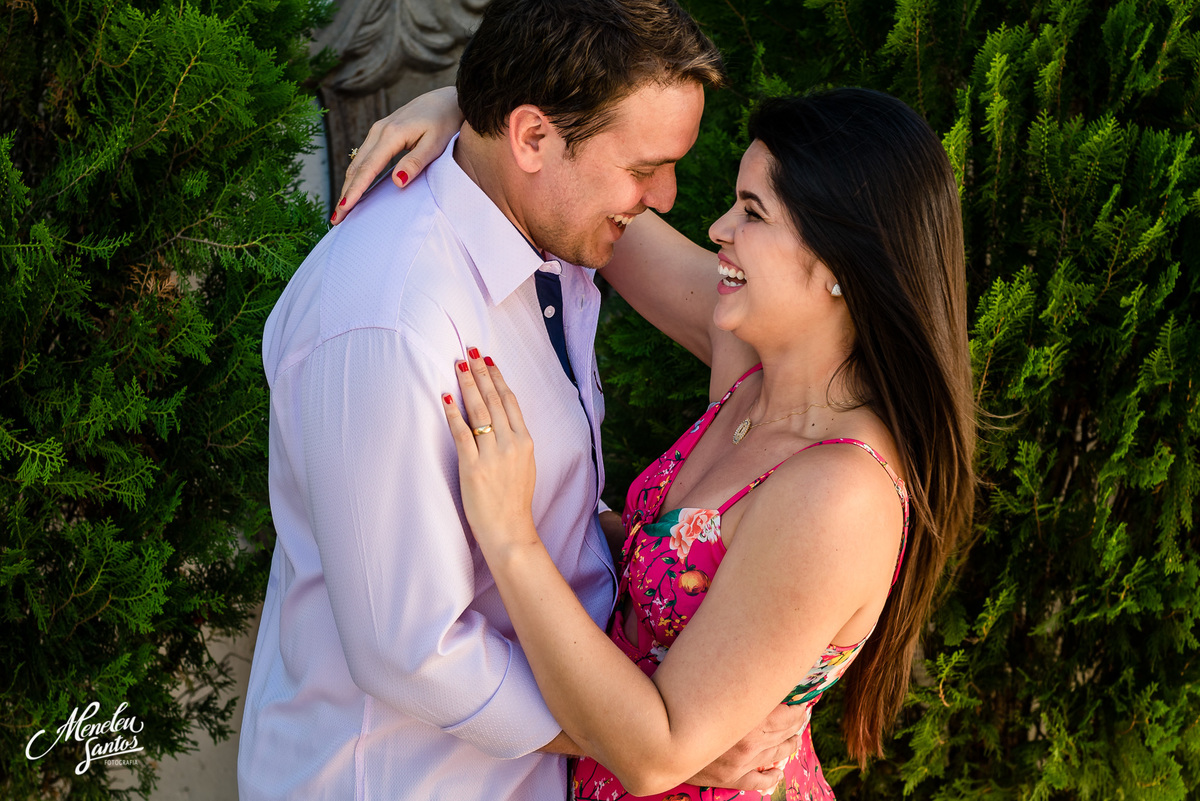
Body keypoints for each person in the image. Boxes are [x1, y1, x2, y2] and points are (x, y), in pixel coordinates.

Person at [239, 1, 809, 799]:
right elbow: (412, 646)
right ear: (534, 137)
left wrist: (459, 104)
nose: (670, 196)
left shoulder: (551, 231)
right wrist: (649, 737)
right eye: (645, 167)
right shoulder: (387, 320)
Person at [342, 88, 976, 799]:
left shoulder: (838, 494)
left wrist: (511, 536)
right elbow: (581, 197)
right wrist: (478, 109)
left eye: (753, 212)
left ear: (841, 264)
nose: (718, 228)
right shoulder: (753, 366)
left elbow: (658, 750)